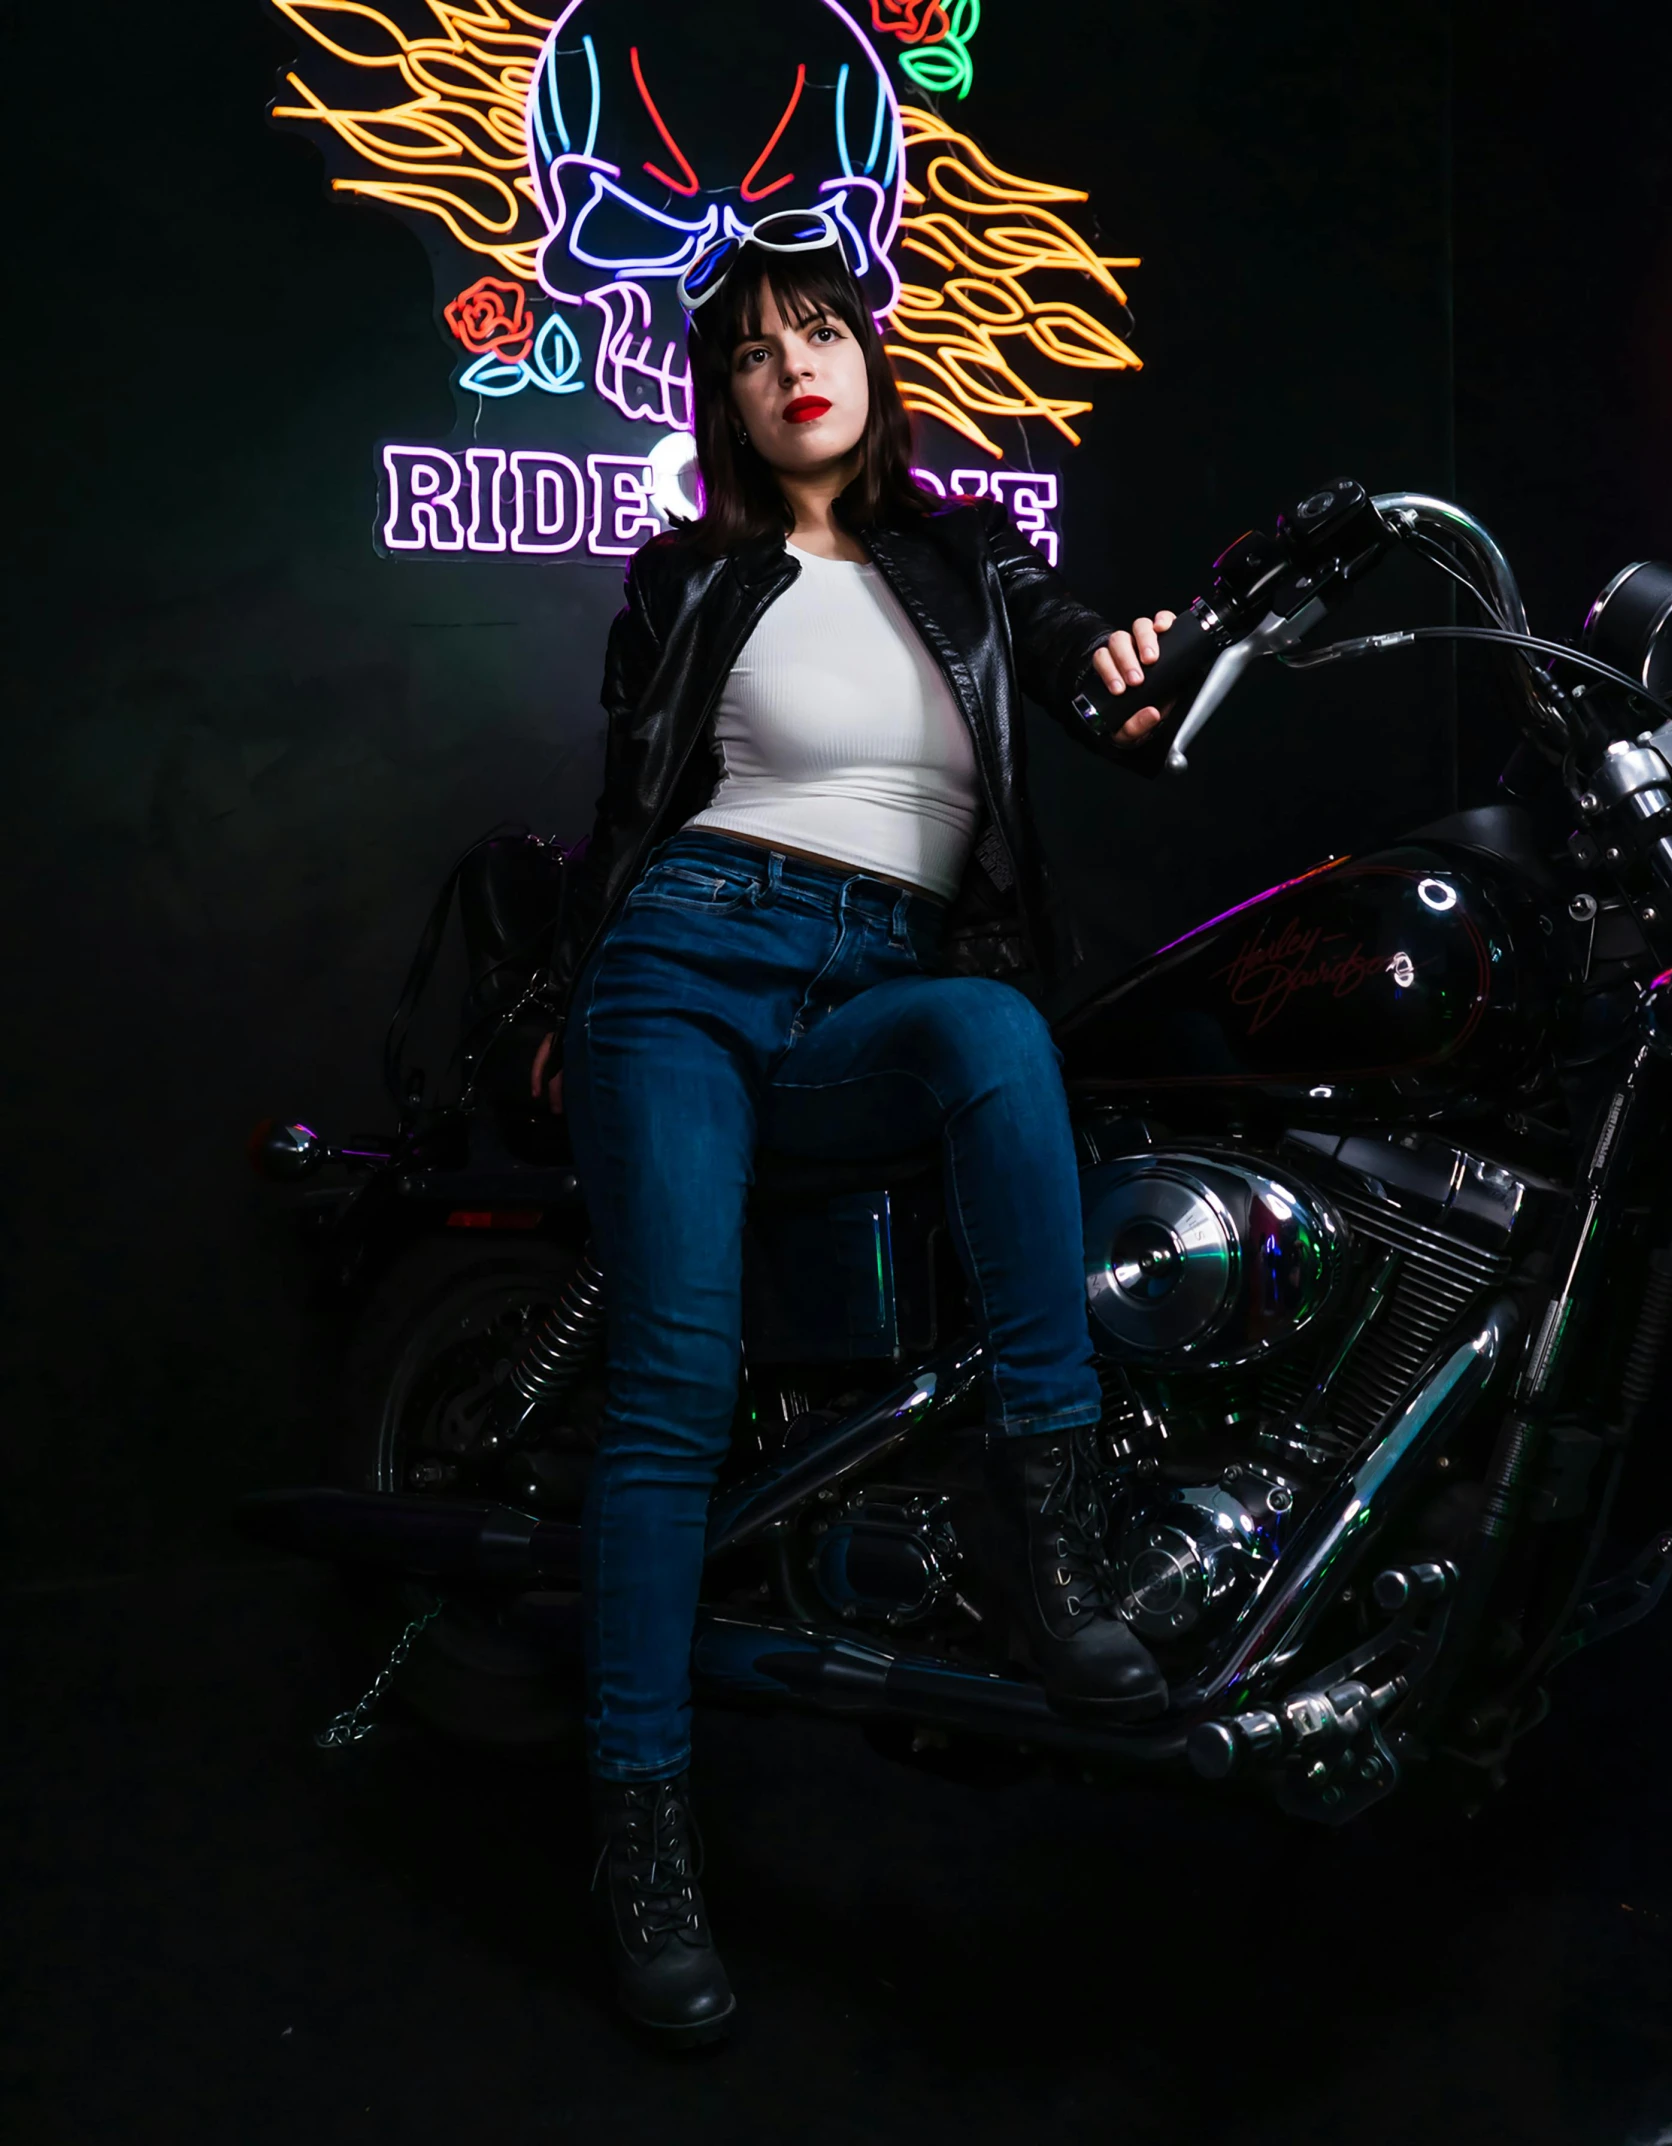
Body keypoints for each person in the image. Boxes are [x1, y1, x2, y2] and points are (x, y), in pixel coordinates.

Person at [530, 210, 1175, 2045]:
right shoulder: (689, 584)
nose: (792, 363)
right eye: (751, 350)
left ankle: (1049, 1550)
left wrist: (1138, 662)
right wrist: (566, 1006)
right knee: (676, 1379)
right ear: (728, 406)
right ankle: (643, 1843)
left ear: (873, 366)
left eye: (819, 330)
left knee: (992, 1032)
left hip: (881, 977)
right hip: (688, 964)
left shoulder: (968, 569)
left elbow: (1090, 679)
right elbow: (628, 807)